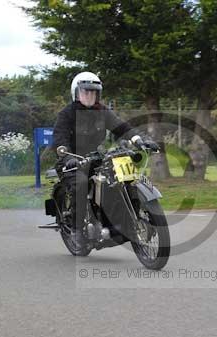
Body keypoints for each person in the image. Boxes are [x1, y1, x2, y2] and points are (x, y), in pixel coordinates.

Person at [52, 71, 158, 243]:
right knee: (80, 183)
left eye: (93, 92)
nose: (89, 96)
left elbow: (122, 127)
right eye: (85, 92)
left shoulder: (102, 111)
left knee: (120, 180)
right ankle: (77, 230)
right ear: (76, 93)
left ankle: (122, 224)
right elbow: (60, 137)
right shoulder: (67, 113)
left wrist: (140, 140)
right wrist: (66, 156)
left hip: (96, 157)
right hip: (71, 158)